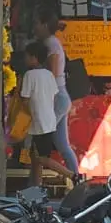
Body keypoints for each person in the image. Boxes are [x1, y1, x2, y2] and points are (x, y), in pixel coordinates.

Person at [31, 5, 81, 180]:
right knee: (62, 145)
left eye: (36, 23)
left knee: (38, 145)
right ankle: (77, 179)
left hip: (56, 97)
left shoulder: (50, 43)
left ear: (44, 25)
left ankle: (36, 186)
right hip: (60, 97)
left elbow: (51, 74)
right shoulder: (51, 42)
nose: (34, 27)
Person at [19, 40, 70, 187]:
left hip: (36, 122)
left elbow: (25, 99)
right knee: (36, 159)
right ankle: (36, 188)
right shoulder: (49, 74)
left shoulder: (29, 75)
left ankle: (72, 175)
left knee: (41, 159)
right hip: (48, 121)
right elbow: (53, 95)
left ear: (34, 58)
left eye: (27, 56)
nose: (25, 59)